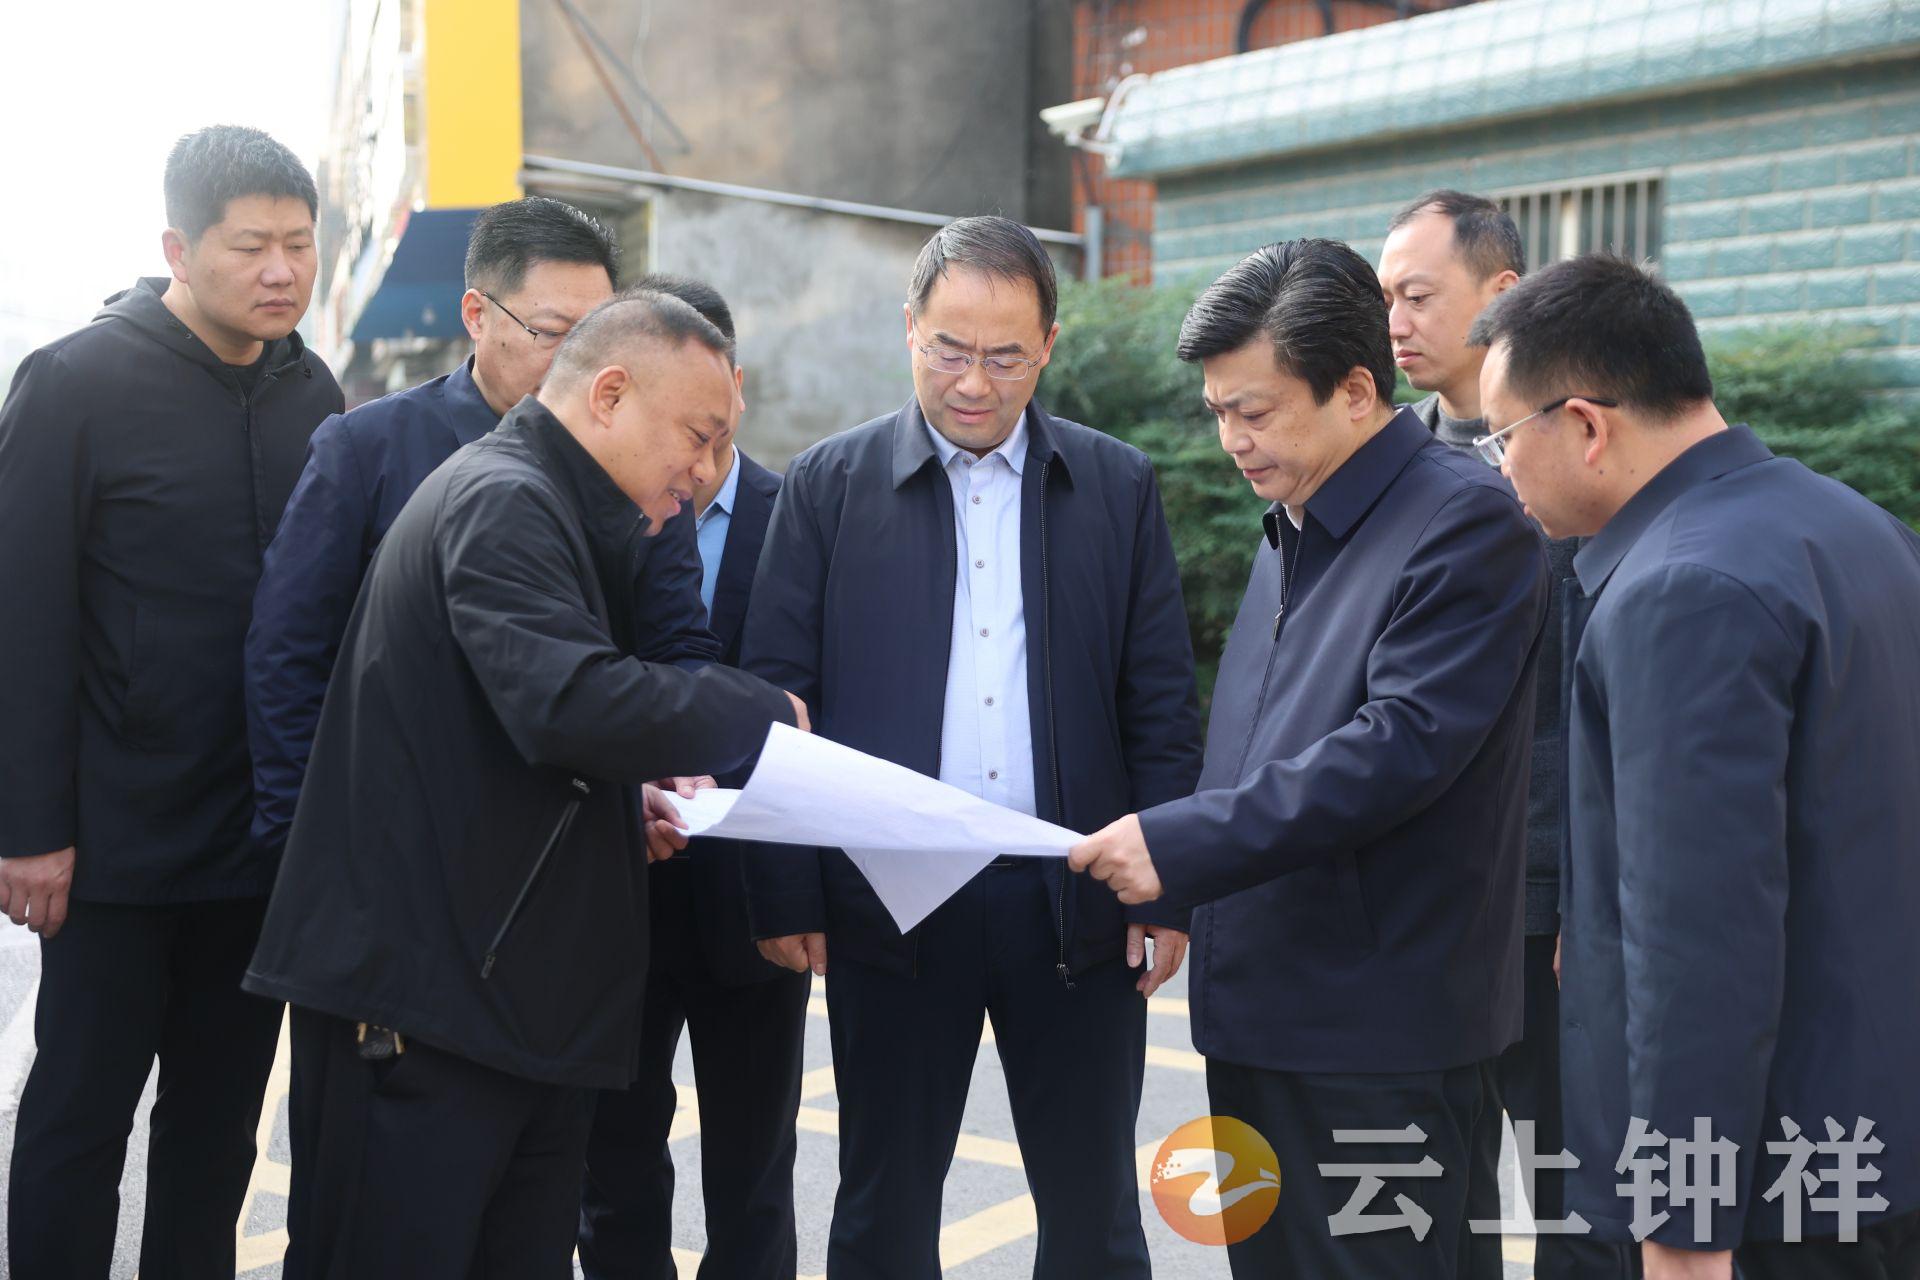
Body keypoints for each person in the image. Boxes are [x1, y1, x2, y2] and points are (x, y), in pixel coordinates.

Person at [242, 292, 807, 1280]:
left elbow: (504, 727)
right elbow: (567, 699)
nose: (704, 470)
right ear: (610, 393)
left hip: (502, 1006)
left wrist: (618, 799)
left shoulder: (562, 508)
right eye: (698, 435)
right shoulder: (504, 497)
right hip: (425, 1009)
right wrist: (760, 714)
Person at [1070, 237, 1548, 1278]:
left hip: (1379, 1033)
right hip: (1260, 1014)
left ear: (1356, 390)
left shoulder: (1465, 521)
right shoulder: (1294, 515)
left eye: (1255, 410)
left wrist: (1178, 845)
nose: (1232, 440)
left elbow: (1398, 748)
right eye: (1218, 411)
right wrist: (1180, 889)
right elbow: (1254, 744)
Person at [740, 215, 1203, 1279]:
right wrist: (785, 889)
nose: (974, 382)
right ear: (910, 327)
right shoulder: (829, 484)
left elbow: (1158, 698)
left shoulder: (1115, 485)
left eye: (1005, 356)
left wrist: (1168, 884)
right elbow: (776, 698)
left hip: (1074, 889)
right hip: (892, 895)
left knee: (1094, 1211)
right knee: (883, 1205)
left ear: (1048, 345)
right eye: (949, 348)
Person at [1472, 254, 1920, 1280]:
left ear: (1585, 425)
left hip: (1772, 1194)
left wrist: (1683, 1226)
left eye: (1502, 438)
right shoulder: (1862, 529)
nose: (1500, 470)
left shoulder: (1680, 590)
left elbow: (1697, 942)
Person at [0, 125, 341, 1278]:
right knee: (78, 1115)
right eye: (252, 246)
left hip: (259, 843)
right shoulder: (74, 384)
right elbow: (23, 619)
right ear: (178, 250)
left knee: (217, 1124)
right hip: (114, 846)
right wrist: (30, 828)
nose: (282, 271)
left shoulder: (314, 393)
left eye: (300, 243)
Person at [247, 196, 662, 867]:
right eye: (552, 333)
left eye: (598, 338)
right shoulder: (368, 448)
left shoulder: (632, 462)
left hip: (583, 843)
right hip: (403, 841)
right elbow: (289, 653)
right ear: (476, 315)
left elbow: (669, 638)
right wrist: (299, 840)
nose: (579, 364)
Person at [1380, 190, 1625, 1280]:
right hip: (1432, 902)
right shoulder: (1393, 463)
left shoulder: (1571, 460)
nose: (1396, 323)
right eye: (1387, 299)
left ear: (1503, 293)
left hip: (1549, 902)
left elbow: (1598, 696)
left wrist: (1585, 890)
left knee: (1573, 1185)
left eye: (1419, 295)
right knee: (1437, 1191)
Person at [576, 275, 810, 1280]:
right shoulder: (588, 513)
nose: (695, 452)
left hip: (755, 900)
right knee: (615, 1164)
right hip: (619, 886)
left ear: (732, 386)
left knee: (755, 1168)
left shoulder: (799, 512)